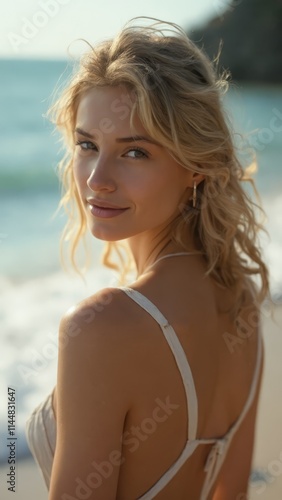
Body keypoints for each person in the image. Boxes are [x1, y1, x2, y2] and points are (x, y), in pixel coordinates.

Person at [26, 17, 269, 499]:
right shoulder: (240, 300)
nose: (97, 178)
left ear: (196, 165)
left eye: (134, 152)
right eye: (87, 145)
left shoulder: (102, 327)